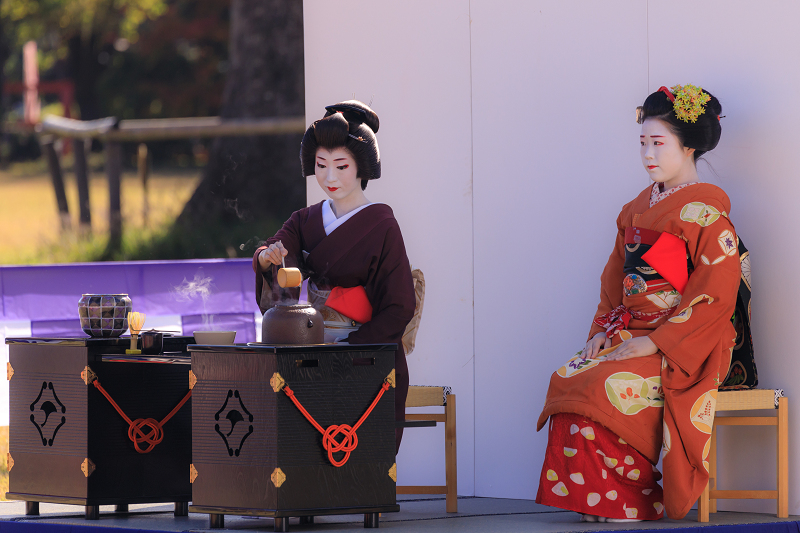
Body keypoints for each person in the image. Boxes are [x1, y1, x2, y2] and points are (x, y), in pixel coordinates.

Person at [535, 85, 741, 521]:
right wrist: (599, 335)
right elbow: (614, 284)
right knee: (570, 375)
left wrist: (657, 343)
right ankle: (594, 497)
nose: (647, 153)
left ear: (688, 146)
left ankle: (629, 499)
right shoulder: (634, 209)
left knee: (605, 384)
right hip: (632, 331)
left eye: (658, 142)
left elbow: (715, 295)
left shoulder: (707, 213)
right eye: (642, 142)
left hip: (686, 344)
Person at [252, 100, 416, 452]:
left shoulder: (382, 224)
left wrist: (348, 347)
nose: (329, 177)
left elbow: (400, 305)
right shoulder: (305, 219)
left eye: (341, 166)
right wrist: (268, 259)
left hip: (365, 350)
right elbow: (279, 253)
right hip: (313, 346)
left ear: (362, 167)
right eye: (321, 165)